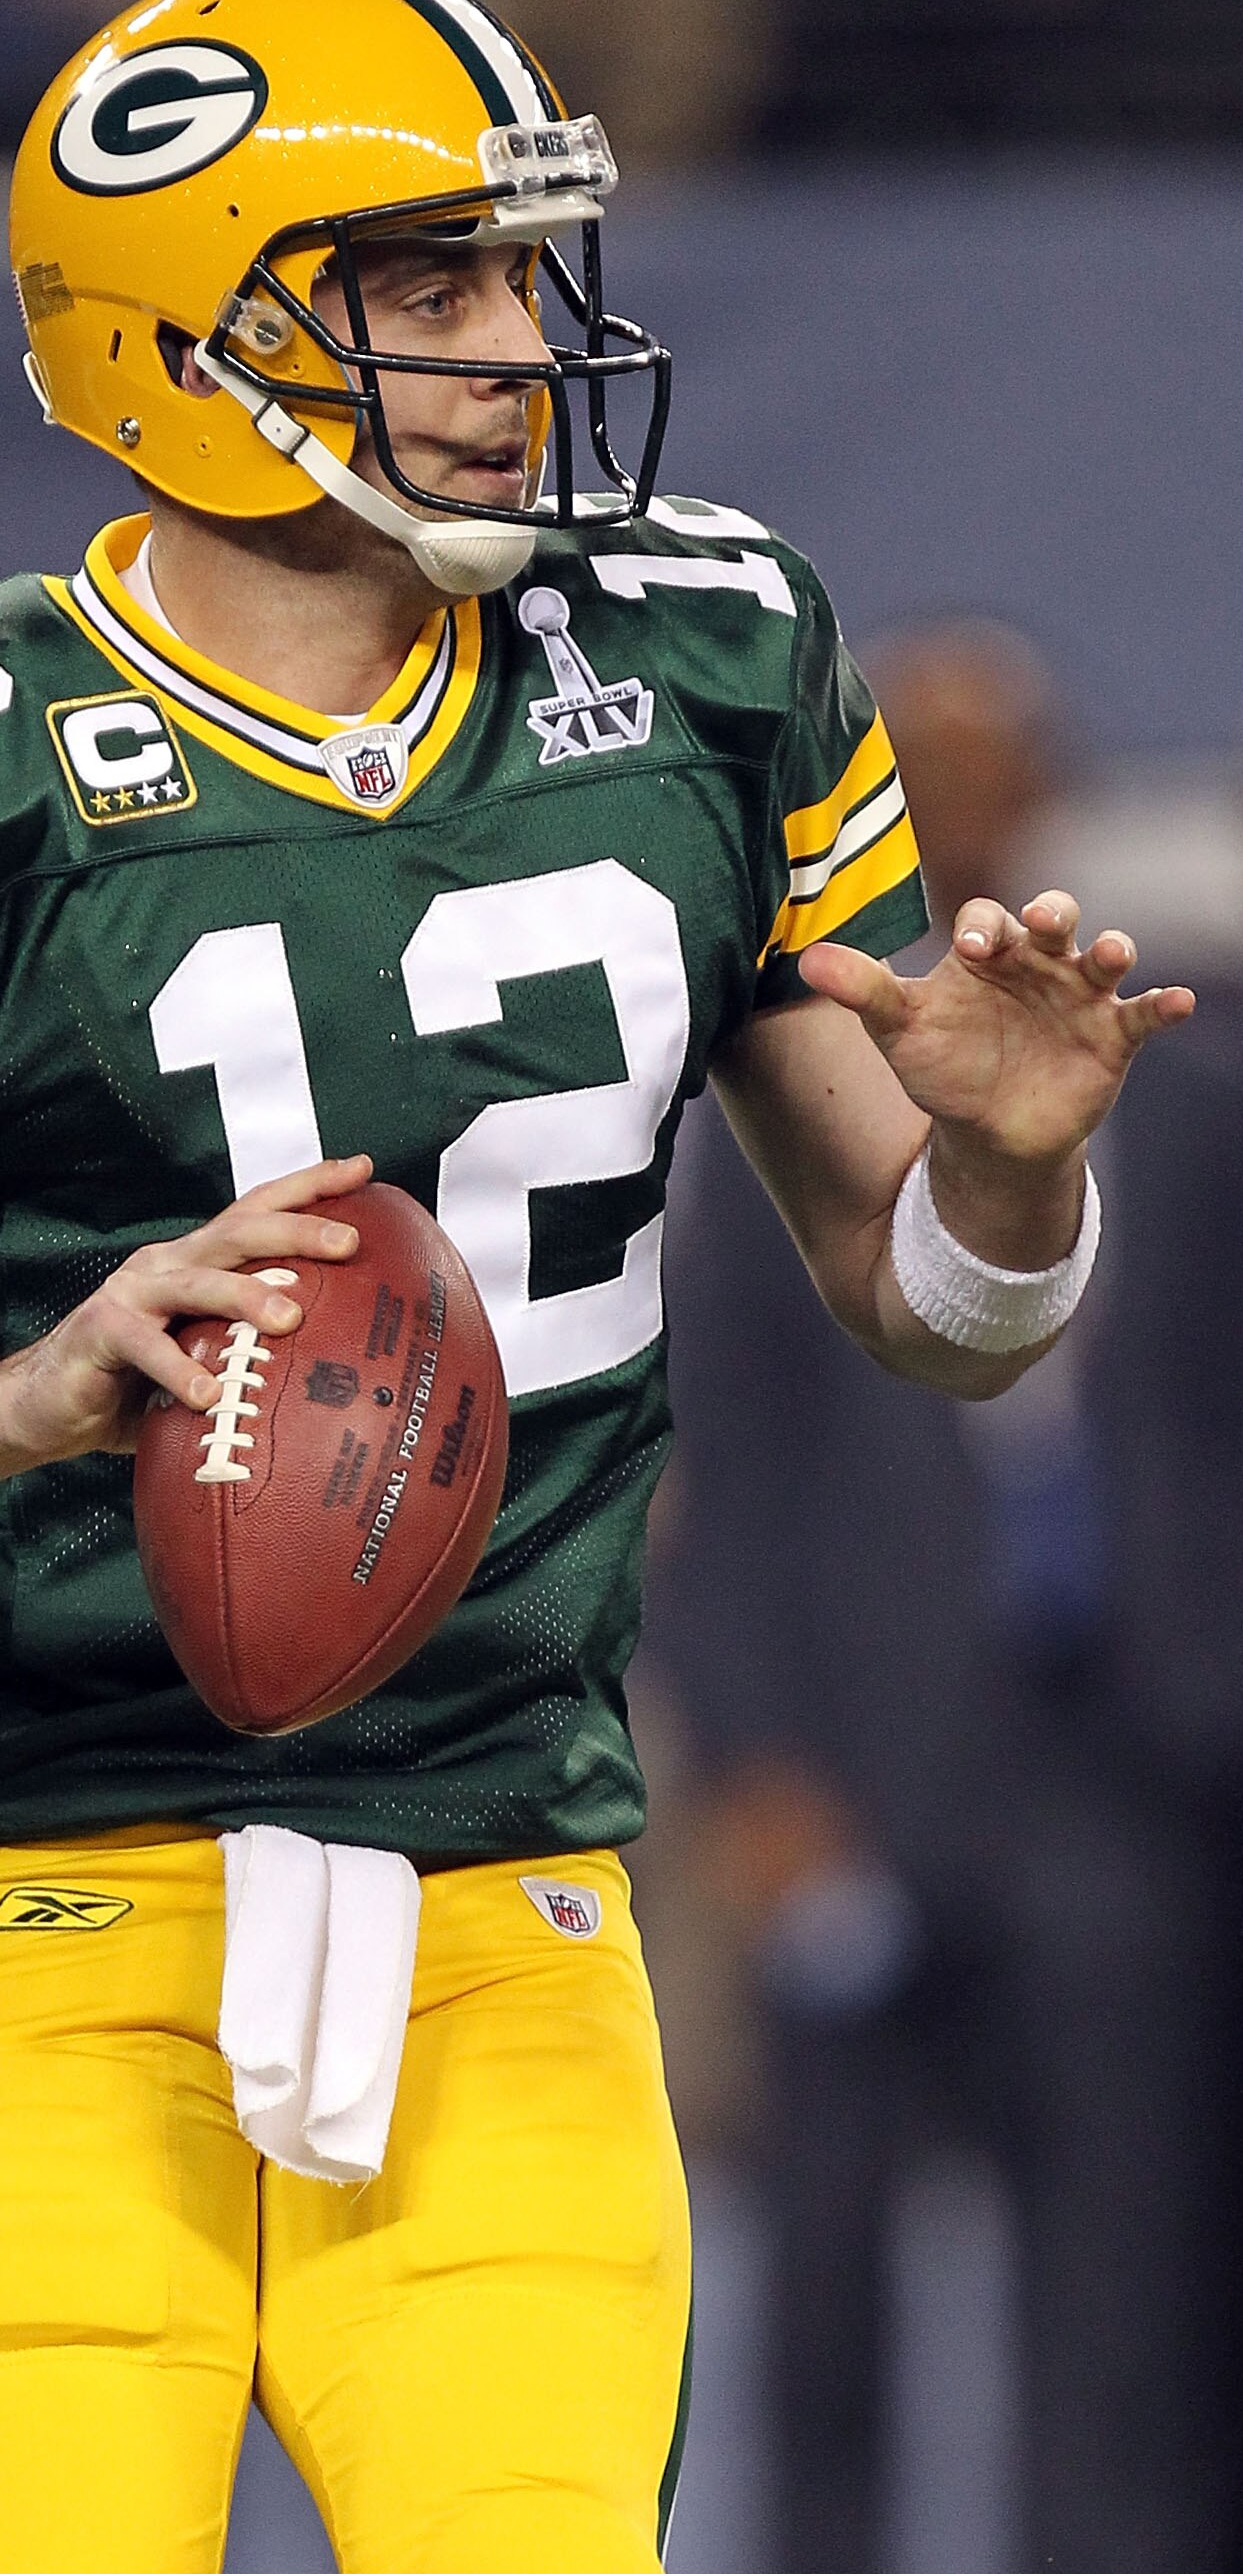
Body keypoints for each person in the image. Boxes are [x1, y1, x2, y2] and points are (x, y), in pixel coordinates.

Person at [0, 0, 1191, 2574]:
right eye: (424, 284)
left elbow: (947, 1324)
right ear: (183, 338)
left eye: (521, 275)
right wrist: (4, 1402)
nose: (517, 344)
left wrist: (1000, 1179)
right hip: (46, 1908)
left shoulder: (702, 656)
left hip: (504, 1891)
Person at [648, 620, 1243, 2574]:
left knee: (1130, 2304)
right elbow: (712, 1482)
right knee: (822, 2306)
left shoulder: (1198, 1096)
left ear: (1048, 795)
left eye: (995, 772)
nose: (966, 814)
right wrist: (757, 1774)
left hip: (1130, 1779)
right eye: (922, 776)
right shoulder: (784, 1110)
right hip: (855, 1778)